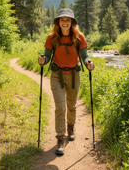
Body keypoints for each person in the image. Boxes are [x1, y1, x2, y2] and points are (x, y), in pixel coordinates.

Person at [38, 8, 94, 155]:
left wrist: (89, 63)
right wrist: (43, 60)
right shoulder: (52, 37)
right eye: (62, 19)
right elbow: (48, 56)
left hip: (74, 75)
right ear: (58, 22)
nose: (64, 22)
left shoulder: (79, 37)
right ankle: (61, 137)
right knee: (60, 107)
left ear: (72, 22)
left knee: (72, 105)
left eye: (67, 20)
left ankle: (71, 127)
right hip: (57, 75)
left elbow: (85, 55)